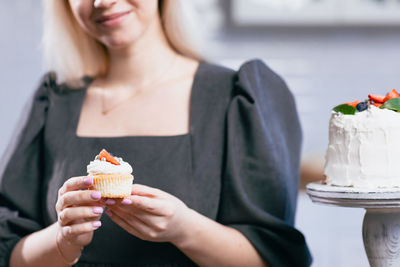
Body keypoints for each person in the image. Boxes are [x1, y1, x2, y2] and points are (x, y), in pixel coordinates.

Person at [0, 0, 312, 266]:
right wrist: (62, 240)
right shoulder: (52, 103)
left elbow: (275, 258)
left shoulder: (238, 98)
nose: (101, 2)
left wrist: (184, 228)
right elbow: (7, 251)